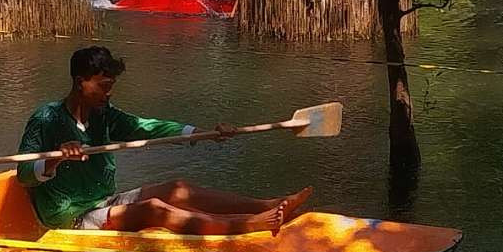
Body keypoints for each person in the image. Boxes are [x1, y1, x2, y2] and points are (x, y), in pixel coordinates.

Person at [17, 46, 312, 234]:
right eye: (104, 86)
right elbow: (24, 174)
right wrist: (55, 158)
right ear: (81, 81)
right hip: (71, 218)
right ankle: (255, 224)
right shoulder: (46, 118)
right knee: (154, 209)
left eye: (112, 87)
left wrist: (199, 133)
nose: (109, 93)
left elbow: (146, 127)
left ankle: (268, 204)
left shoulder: (104, 114)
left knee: (177, 188)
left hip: (103, 201)